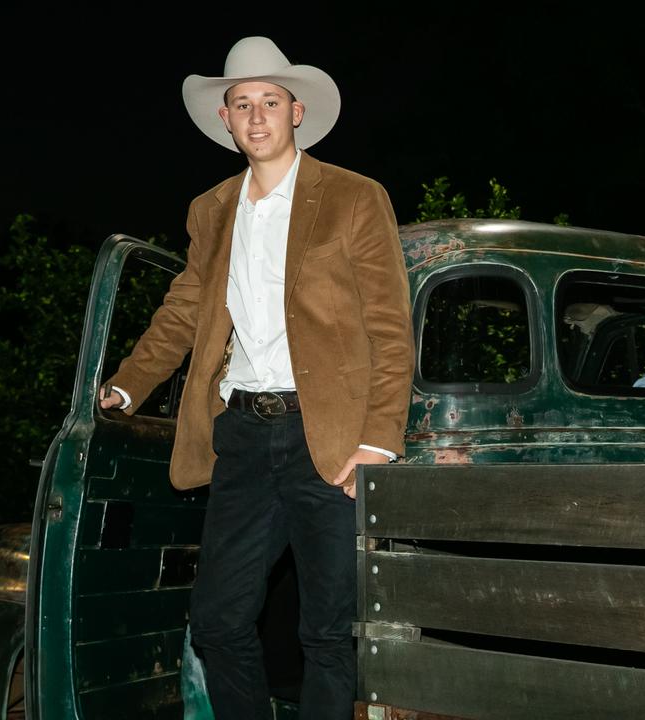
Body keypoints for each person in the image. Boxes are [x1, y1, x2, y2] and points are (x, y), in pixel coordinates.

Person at [99, 36, 414, 718]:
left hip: (326, 437)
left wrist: (379, 440)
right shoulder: (211, 210)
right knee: (217, 621)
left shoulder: (354, 197)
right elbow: (183, 311)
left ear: (296, 111)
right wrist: (128, 384)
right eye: (241, 103)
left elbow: (390, 324)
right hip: (241, 431)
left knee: (327, 632)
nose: (257, 114)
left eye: (270, 100)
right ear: (226, 120)